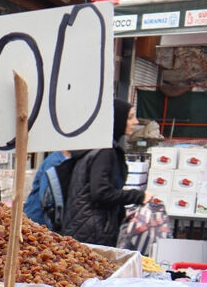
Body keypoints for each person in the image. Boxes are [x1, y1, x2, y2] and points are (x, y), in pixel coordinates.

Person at [61, 99, 147, 246]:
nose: (136, 121)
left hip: (85, 227)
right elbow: (101, 193)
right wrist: (139, 196)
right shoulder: (104, 151)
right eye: (130, 117)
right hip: (93, 232)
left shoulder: (95, 147)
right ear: (116, 119)